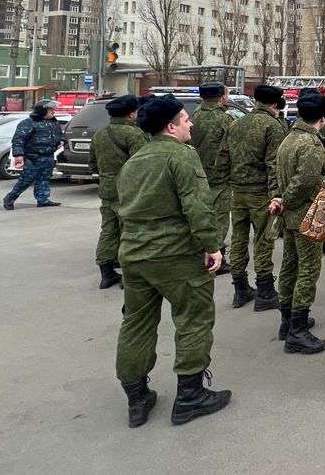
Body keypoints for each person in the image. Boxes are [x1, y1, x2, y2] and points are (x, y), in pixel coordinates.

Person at [114, 95, 231, 428]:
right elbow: (198, 206)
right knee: (193, 319)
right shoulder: (182, 156)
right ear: (170, 127)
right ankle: (190, 397)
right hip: (176, 255)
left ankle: (137, 398)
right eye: (185, 119)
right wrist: (212, 246)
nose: (190, 123)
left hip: (134, 255)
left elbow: (123, 209)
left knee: (136, 323)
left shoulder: (134, 161)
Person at [274, 93, 325, 354]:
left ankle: (287, 321)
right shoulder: (311, 144)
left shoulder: (289, 138)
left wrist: (281, 201)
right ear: (323, 118)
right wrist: (286, 201)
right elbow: (305, 182)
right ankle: (298, 330)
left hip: (291, 216)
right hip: (307, 216)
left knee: (290, 266)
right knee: (308, 270)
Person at [218, 84, 286, 311]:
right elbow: (273, 165)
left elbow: (222, 159)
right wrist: (277, 196)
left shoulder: (236, 123)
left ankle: (240, 289)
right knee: (263, 241)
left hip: (237, 192)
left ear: (255, 100)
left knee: (238, 239)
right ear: (274, 103)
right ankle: (265, 291)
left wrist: (229, 184)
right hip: (261, 193)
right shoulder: (272, 126)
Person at [89, 95, 148, 289]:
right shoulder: (134, 134)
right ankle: (129, 276)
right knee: (130, 232)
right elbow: (143, 165)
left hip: (107, 191)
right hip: (129, 191)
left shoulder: (100, 134)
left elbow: (92, 164)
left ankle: (106, 273)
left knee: (108, 230)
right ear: (131, 114)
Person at [189, 82, 233, 276]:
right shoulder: (225, 119)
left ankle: (199, 254)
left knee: (200, 215)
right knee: (219, 218)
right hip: (219, 177)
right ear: (222, 98)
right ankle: (217, 258)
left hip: (196, 175)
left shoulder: (193, 117)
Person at [2, 99, 65, 210]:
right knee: (25, 180)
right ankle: (9, 199)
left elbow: (60, 135)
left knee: (44, 179)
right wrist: (18, 155)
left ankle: (43, 200)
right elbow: (18, 140)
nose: (53, 111)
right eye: (50, 110)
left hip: (48, 156)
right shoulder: (28, 123)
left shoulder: (53, 122)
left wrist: (62, 141)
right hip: (33, 158)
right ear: (42, 110)